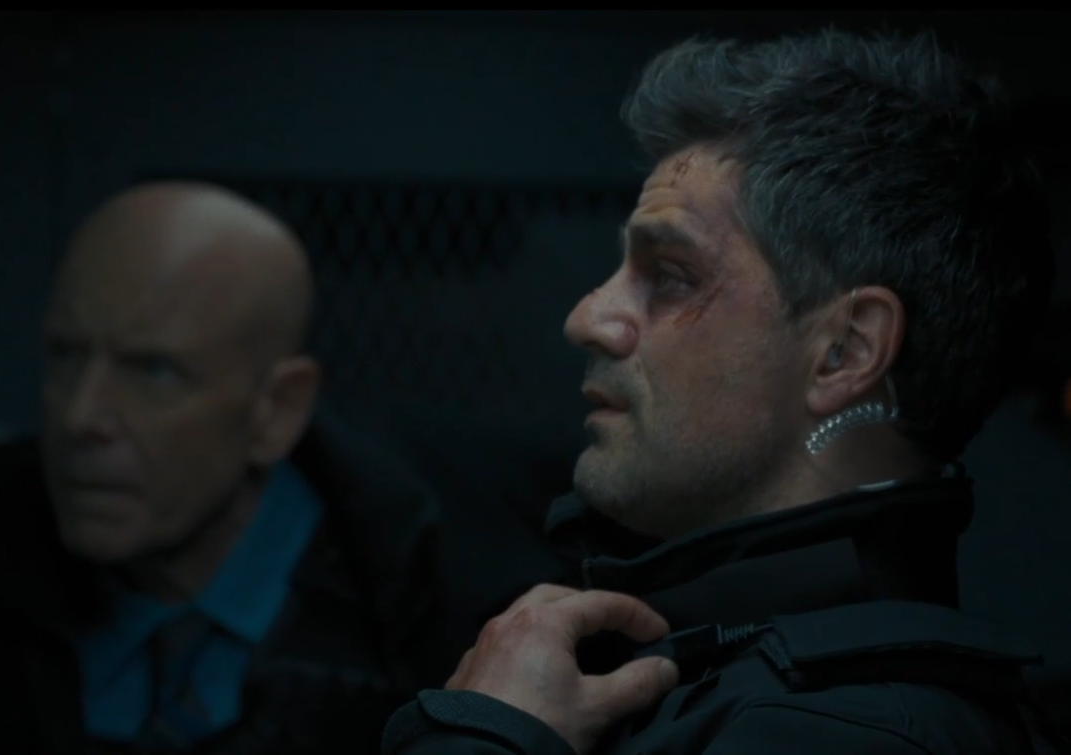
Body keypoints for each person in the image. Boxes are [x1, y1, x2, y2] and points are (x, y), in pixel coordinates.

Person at [382, 28, 1056, 755]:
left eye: (671, 277)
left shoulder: (837, 735)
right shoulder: (712, 669)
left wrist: (483, 737)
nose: (589, 317)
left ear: (845, 353)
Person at [0, 181, 568, 754]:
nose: (81, 417)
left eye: (154, 372)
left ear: (275, 410)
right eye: (65, 355)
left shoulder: (458, 605)